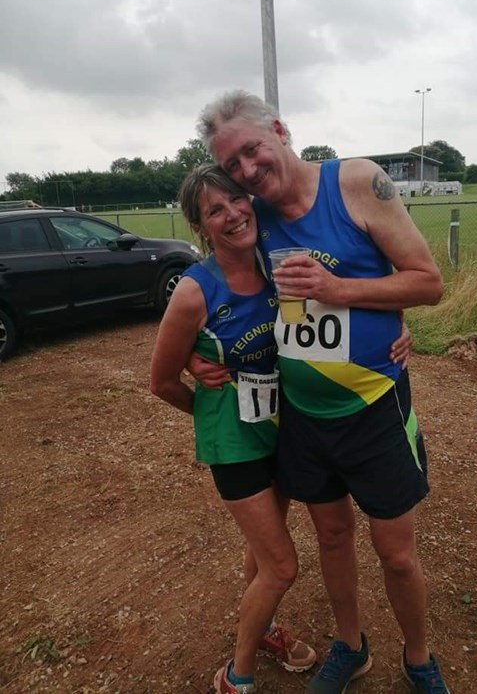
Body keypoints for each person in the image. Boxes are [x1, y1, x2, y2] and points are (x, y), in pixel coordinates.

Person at [191, 90, 450, 694]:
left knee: (397, 552)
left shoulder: (357, 182)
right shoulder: (253, 218)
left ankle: (418, 657)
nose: (248, 172)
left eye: (253, 151)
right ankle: (351, 645)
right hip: (303, 416)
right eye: (233, 166)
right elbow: (222, 293)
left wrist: (346, 293)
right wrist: (196, 363)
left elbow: (428, 283)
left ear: (279, 130)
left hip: (374, 407)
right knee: (332, 538)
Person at [150, 165, 317, 693]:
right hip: (236, 443)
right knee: (283, 566)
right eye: (214, 210)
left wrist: (398, 329)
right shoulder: (195, 292)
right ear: (201, 228)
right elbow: (161, 381)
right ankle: (235, 675)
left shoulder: (275, 266)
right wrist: (209, 407)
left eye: (235, 200)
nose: (232, 214)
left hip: (280, 429)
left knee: (262, 554)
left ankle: (263, 628)